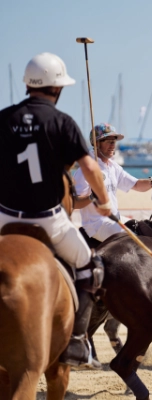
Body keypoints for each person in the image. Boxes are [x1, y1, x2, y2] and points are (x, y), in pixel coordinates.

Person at [0, 52, 111, 366]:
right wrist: (103, 202)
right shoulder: (62, 122)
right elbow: (91, 169)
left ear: (27, 85)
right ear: (58, 88)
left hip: (4, 215)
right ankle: (76, 342)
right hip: (48, 220)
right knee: (92, 267)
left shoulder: (3, 118)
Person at [73, 123, 152, 242]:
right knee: (132, 241)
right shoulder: (87, 169)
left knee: (147, 231)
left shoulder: (113, 167)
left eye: (114, 141)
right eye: (108, 141)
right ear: (96, 144)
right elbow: (74, 203)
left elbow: (136, 185)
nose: (112, 145)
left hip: (115, 218)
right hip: (96, 225)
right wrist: (92, 197)